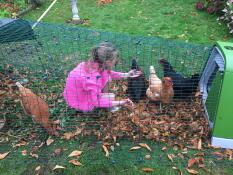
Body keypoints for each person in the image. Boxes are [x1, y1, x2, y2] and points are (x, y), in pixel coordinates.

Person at [63, 42, 142, 112]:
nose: (116, 60)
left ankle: (104, 98)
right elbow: (96, 102)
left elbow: (109, 73)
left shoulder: (93, 64)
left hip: (76, 95)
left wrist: (127, 74)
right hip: (79, 103)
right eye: (115, 59)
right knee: (111, 96)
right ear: (107, 62)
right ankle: (105, 105)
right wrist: (121, 102)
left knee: (107, 77)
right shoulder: (93, 79)